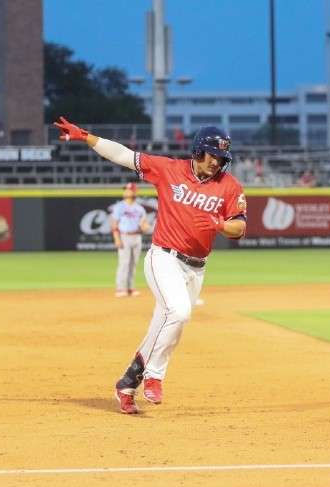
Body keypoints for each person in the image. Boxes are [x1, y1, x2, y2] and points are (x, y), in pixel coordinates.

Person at [54, 116, 247, 415]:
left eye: (223, 158)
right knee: (179, 312)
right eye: (214, 155)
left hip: (197, 268)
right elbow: (123, 155)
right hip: (164, 257)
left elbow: (240, 228)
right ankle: (154, 376)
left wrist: (222, 224)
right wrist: (86, 137)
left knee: (163, 327)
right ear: (198, 151)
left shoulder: (230, 187)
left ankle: (127, 384)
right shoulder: (170, 169)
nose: (217, 162)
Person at [110, 182, 150, 297]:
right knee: (124, 263)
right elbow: (114, 224)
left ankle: (130, 288)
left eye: (129, 190)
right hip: (124, 236)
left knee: (133, 264)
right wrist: (117, 238)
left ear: (134, 192)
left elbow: (144, 225)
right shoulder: (119, 207)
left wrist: (145, 227)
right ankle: (120, 288)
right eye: (125, 190)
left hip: (137, 237)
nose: (126, 192)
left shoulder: (140, 209)